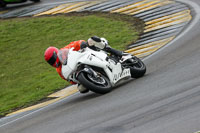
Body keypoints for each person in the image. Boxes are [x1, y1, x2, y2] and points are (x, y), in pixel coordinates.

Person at [44, 36, 125, 93]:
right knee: (82, 89)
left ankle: (116, 52)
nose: (53, 62)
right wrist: (78, 80)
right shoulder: (59, 70)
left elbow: (76, 43)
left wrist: (81, 44)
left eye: (52, 59)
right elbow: (70, 80)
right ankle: (98, 78)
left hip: (86, 55)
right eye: (50, 62)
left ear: (56, 54)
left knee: (91, 40)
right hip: (79, 69)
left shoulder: (65, 50)